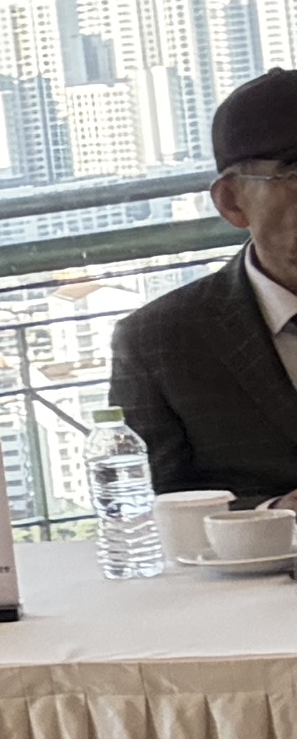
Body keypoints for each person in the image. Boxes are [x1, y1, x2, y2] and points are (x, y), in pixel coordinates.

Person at [108, 67, 297, 501]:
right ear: (232, 202)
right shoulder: (160, 342)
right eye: (296, 173)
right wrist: (275, 515)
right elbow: (149, 506)